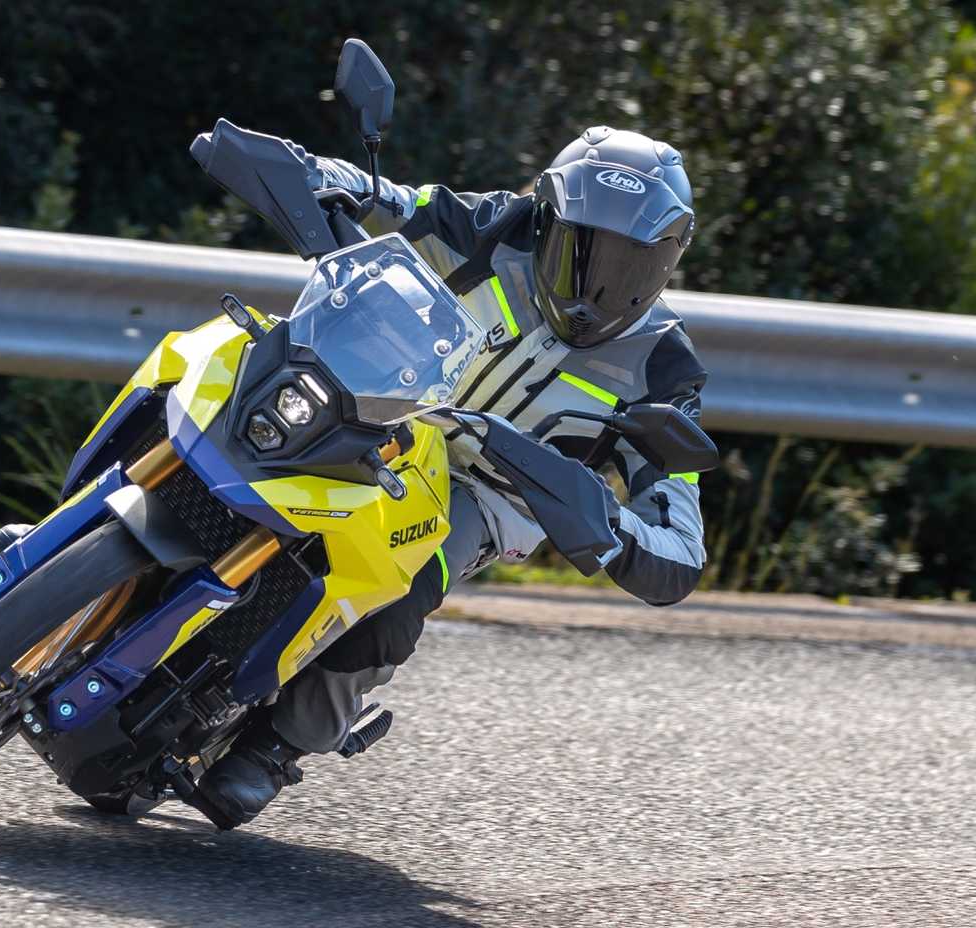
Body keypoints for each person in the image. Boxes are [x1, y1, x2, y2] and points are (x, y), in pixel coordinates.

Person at [195, 125, 709, 828]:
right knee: (217, 383)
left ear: (667, 263)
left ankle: (279, 744)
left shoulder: (665, 368)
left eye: (629, 266)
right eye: (582, 250)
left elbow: (680, 542)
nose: (597, 285)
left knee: (400, 590)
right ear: (546, 217)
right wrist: (320, 174)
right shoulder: (491, 226)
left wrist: (610, 525)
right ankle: (81, 533)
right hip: (383, 407)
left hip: (486, 495)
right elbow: (391, 199)